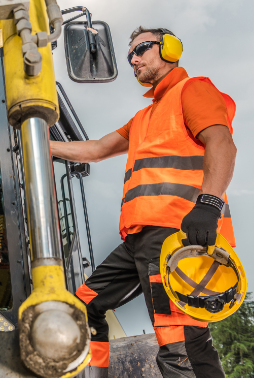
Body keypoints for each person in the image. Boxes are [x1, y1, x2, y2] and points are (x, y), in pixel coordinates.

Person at [50, 26, 236, 378]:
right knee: (82, 305)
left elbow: (222, 143)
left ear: (170, 48)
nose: (133, 59)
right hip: (139, 240)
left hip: (179, 237)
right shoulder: (144, 118)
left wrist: (209, 205)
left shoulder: (192, 90)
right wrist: (37, 144)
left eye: (141, 49)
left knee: (181, 345)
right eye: (130, 54)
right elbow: (96, 149)